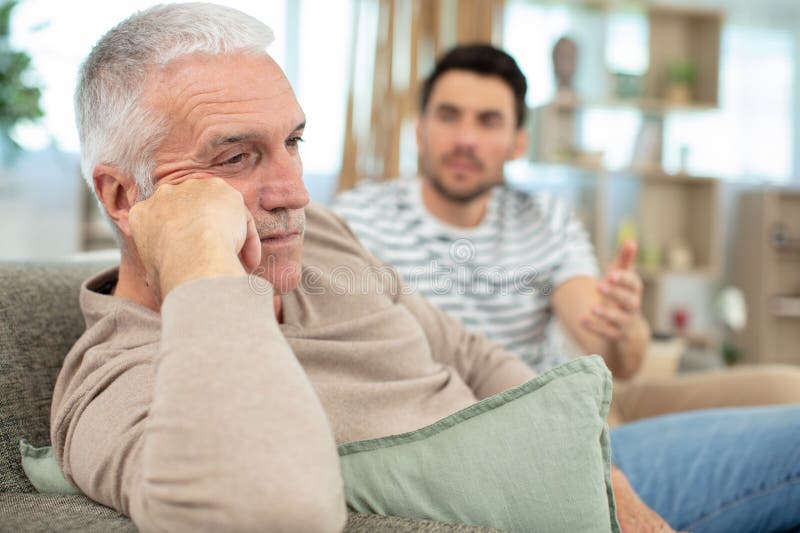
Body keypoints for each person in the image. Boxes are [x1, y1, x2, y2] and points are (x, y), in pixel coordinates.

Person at [51, 5, 800, 533]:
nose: (294, 193)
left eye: (295, 143)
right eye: (237, 155)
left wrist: (602, 468)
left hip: (586, 459)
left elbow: (471, 353)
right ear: (124, 195)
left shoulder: (327, 242)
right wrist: (205, 268)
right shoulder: (113, 382)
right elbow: (273, 509)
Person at [332, 43, 800, 426]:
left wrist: (622, 325)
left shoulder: (547, 219)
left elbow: (617, 358)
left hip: (578, 403)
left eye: (488, 121)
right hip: (495, 425)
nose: (465, 140)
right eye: (449, 116)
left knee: (788, 392)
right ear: (420, 131)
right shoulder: (360, 219)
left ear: (519, 142)